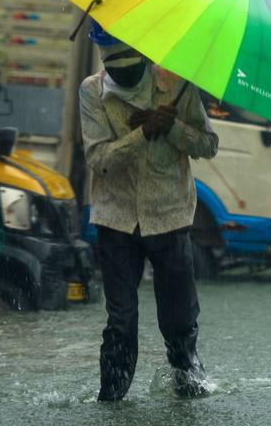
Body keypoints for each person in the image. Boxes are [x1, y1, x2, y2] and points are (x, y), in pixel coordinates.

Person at [79, 21, 219, 401]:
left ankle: (188, 385)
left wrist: (171, 127)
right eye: (114, 66)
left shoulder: (175, 84)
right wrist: (141, 134)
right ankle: (110, 400)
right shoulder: (91, 92)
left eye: (131, 65)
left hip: (169, 217)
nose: (123, 72)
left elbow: (208, 144)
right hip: (116, 219)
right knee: (120, 322)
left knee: (179, 323)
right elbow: (99, 159)